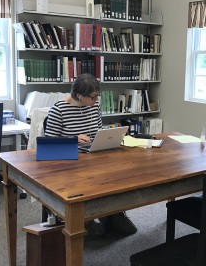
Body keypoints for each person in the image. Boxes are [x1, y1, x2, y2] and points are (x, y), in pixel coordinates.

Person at [45, 73, 137, 236]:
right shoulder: (58, 110)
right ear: (79, 95)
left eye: (97, 96)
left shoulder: (94, 107)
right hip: (70, 162)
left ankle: (111, 213)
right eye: (93, 97)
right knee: (90, 179)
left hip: (94, 156)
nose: (96, 101)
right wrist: (73, 139)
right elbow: (49, 146)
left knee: (120, 173)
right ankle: (87, 217)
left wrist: (108, 138)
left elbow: (98, 132)